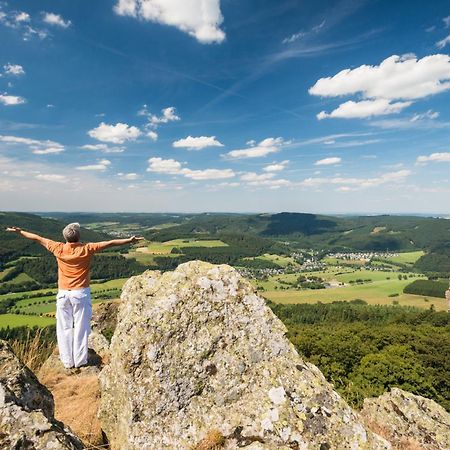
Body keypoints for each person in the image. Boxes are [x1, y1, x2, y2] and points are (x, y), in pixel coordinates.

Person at [5, 223, 143, 369]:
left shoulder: (58, 248)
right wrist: (129, 240)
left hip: (63, 294)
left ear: (65, 237)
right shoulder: (87, 249)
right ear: (79, 236)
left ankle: (67, 361)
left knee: (63, 327)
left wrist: (19, 232)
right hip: (80, 293)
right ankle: (80, 360)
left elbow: (37, 238)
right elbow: (110, 243)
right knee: (81, 327)